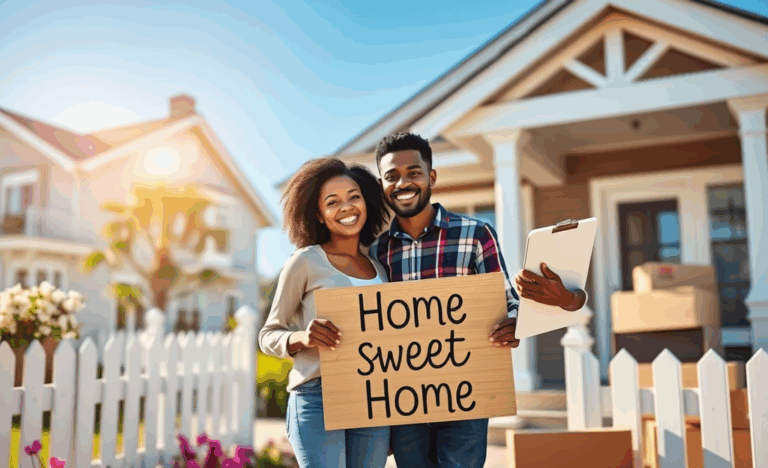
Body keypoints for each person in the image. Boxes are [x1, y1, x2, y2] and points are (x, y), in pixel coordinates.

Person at [369, 133, 587, 468]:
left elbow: (506, 301)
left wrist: (516, 324)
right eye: (391, 176)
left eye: (413, 172)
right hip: (405, 397)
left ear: (431, 176)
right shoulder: (376, 251)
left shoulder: (475, 234)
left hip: (466, 389)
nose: (403, 182)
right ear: (383, 185)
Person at [258, 157, 392, 468]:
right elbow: (268, 335)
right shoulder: (305, 261)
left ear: (367, 202)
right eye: (333, 202)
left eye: (354, 197)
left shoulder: (380, 269)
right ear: (318, 214)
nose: (346, 207)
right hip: (317, 396)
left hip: (372, 398)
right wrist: (303, 338)